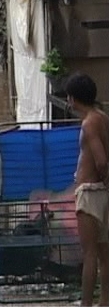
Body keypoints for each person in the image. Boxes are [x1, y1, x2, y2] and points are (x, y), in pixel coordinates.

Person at [67, 73, 109, 306]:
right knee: (105, 254)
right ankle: (104, 300)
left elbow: (101, 160)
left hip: (91, 192)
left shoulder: (89, 122)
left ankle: (86, 304)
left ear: (73, 99)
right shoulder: (103, 117)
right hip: (103, 193)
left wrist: (103, 178)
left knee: (90, 253)